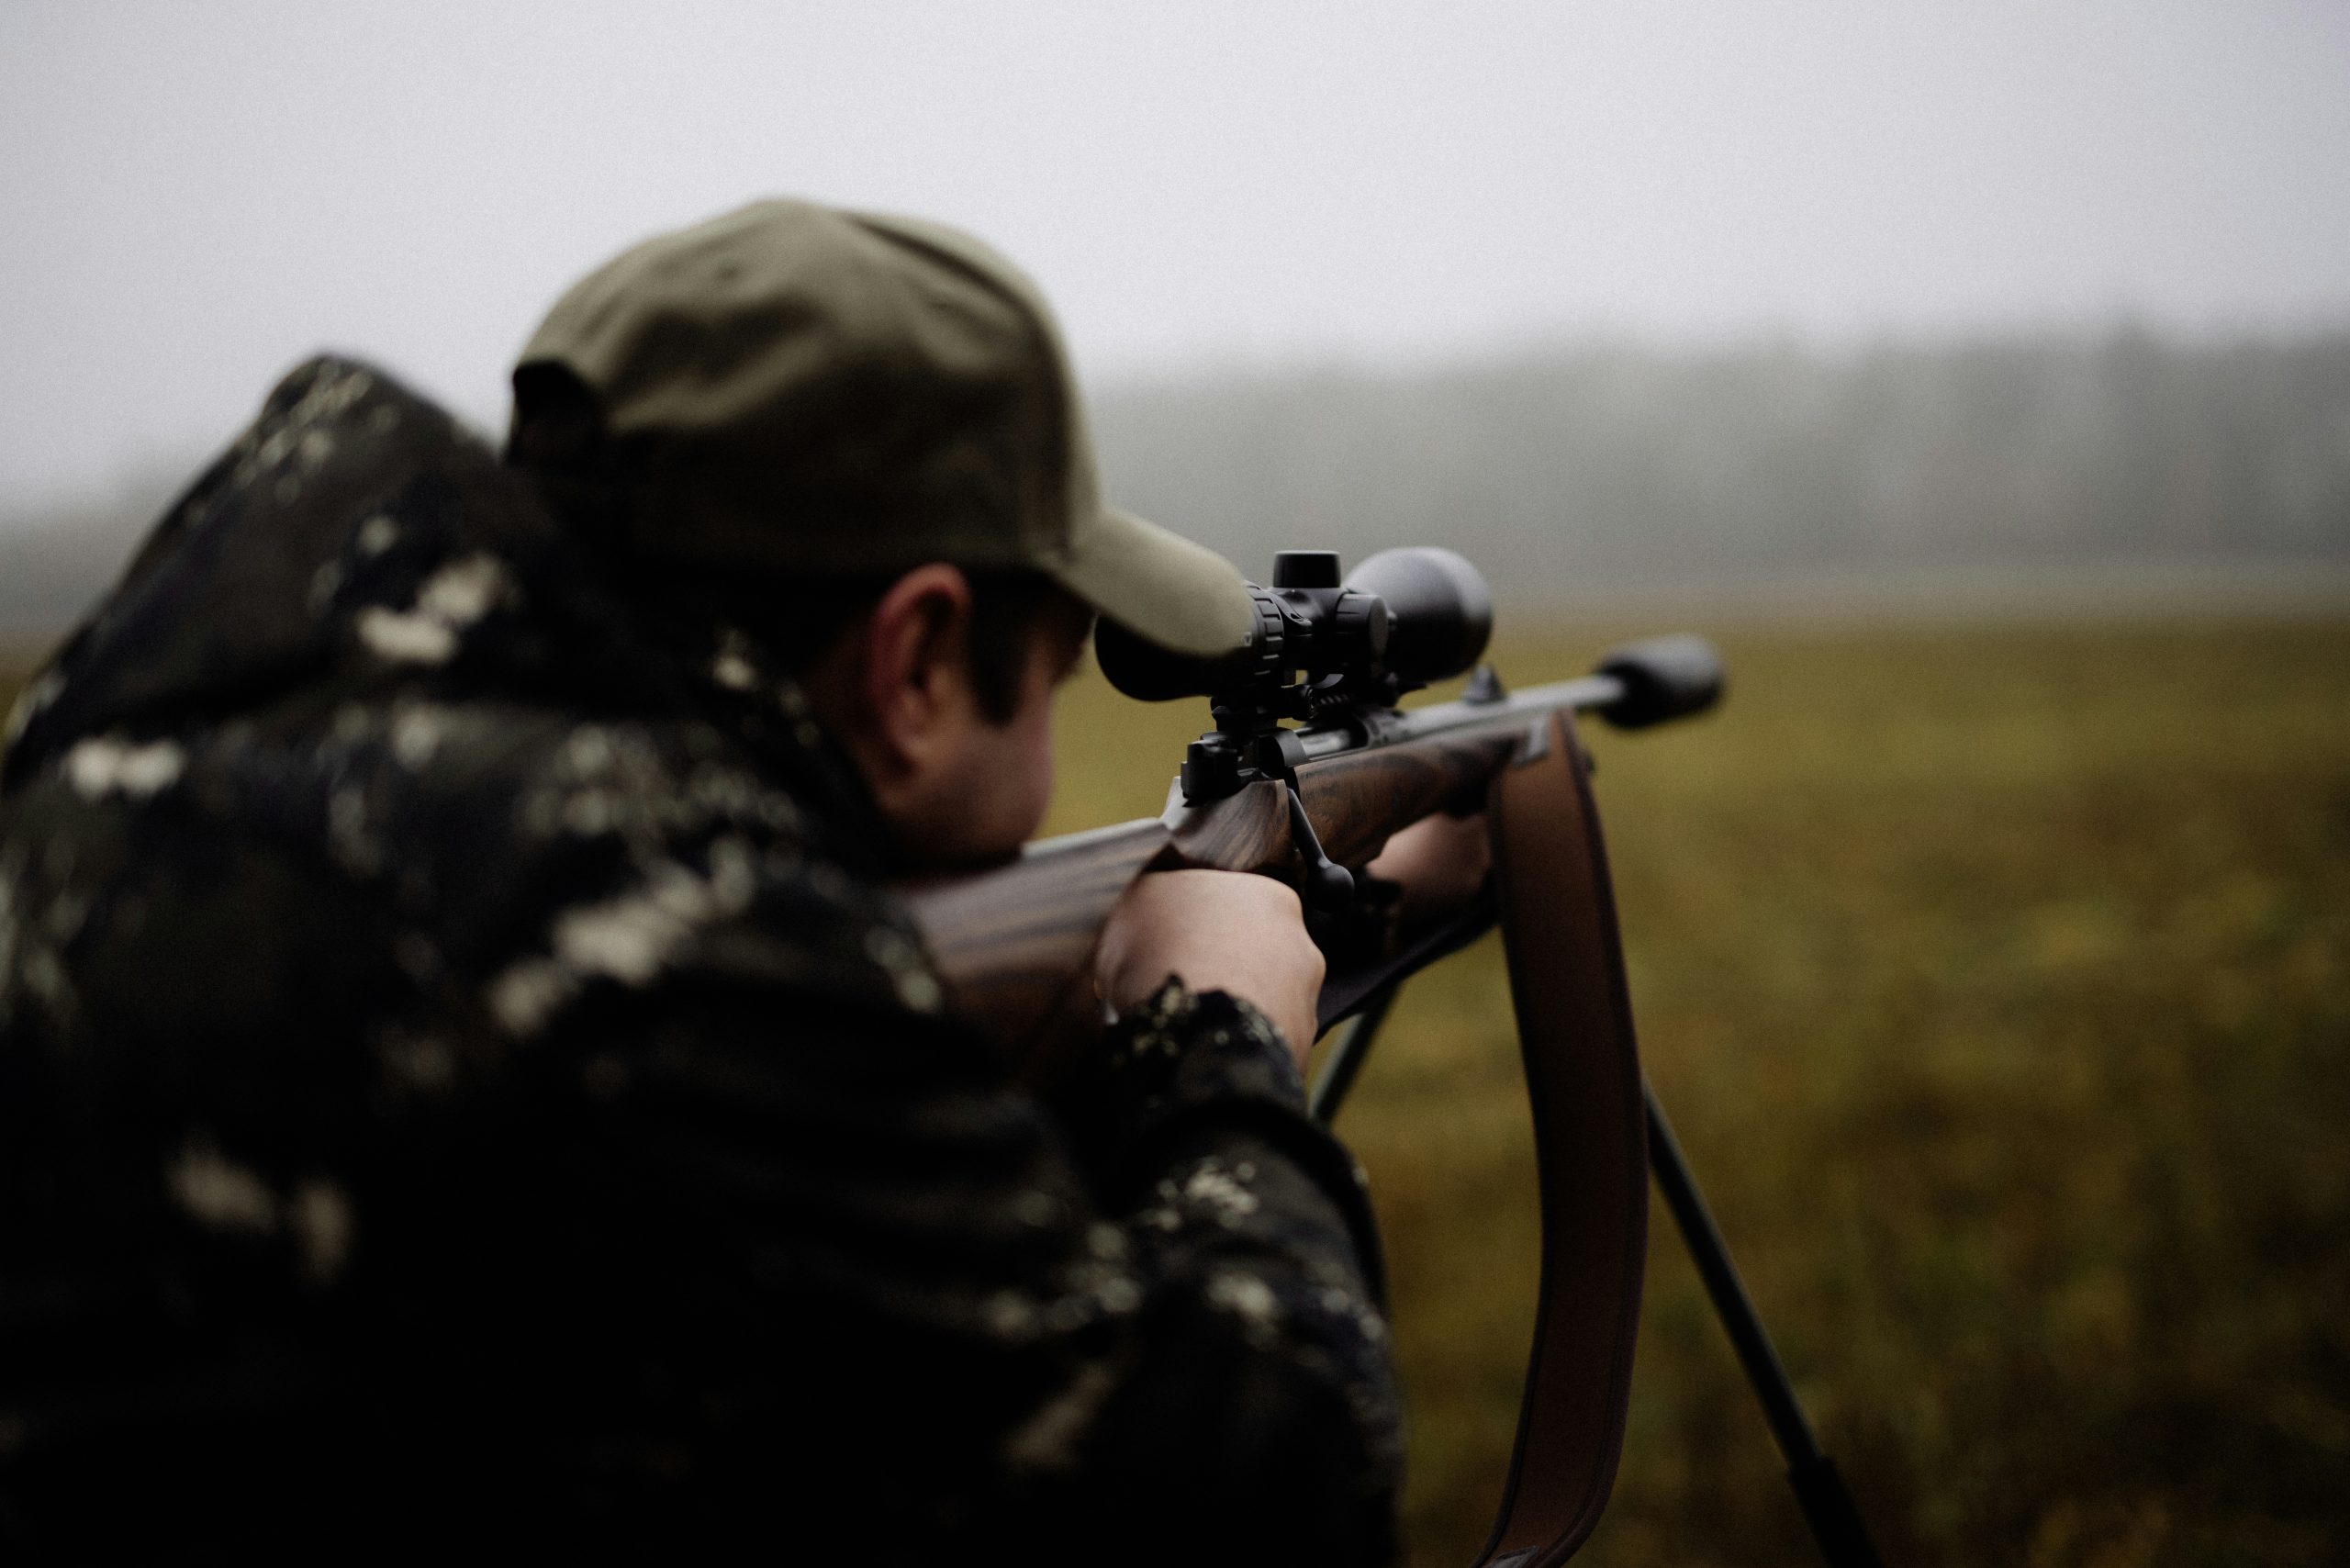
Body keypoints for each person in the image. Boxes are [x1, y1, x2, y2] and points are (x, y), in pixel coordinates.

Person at [0, 199, 1483, 1561]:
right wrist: (1219, 1031)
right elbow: (1257, 1496)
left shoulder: (155, 747)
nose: (1051, 723)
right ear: (915, 662)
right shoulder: (655, 914)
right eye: (1051, 674)